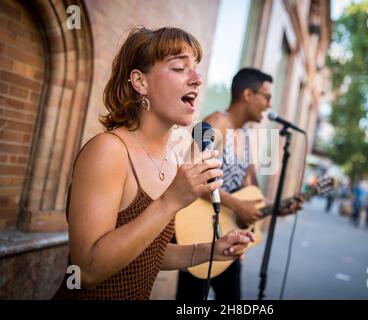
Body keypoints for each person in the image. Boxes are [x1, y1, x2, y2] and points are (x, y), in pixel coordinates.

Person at [52, 27, 255, 300]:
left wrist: (213, 250)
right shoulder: (108, 151)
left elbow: (146, 253)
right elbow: (86, 271)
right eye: (180, 68)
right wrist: (171, 200)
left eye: (196, 68)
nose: (197, 79)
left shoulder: (171, 159)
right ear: (140, 82)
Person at [176, 68, 303, 300]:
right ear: (247, 94)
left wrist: (279, 207)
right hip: (198, 233)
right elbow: (193, 175)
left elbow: (250, 193)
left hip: (227, 235)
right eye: (266, 96)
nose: (269, 104)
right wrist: (237, 205)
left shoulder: (245, 136)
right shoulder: (216, 122)